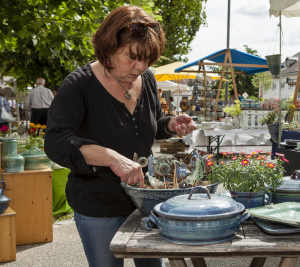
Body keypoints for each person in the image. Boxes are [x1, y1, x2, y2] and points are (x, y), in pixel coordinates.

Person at [44, 6, 197, 267]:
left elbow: (147, 126)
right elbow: (56, 142)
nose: (141, 66)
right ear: (109, 48)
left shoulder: (147, 79)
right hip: (98, 204)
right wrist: (111, 157)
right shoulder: (79, 84)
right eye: (132, 57)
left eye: (147, 59)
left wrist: (170, 124)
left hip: (145, 200)